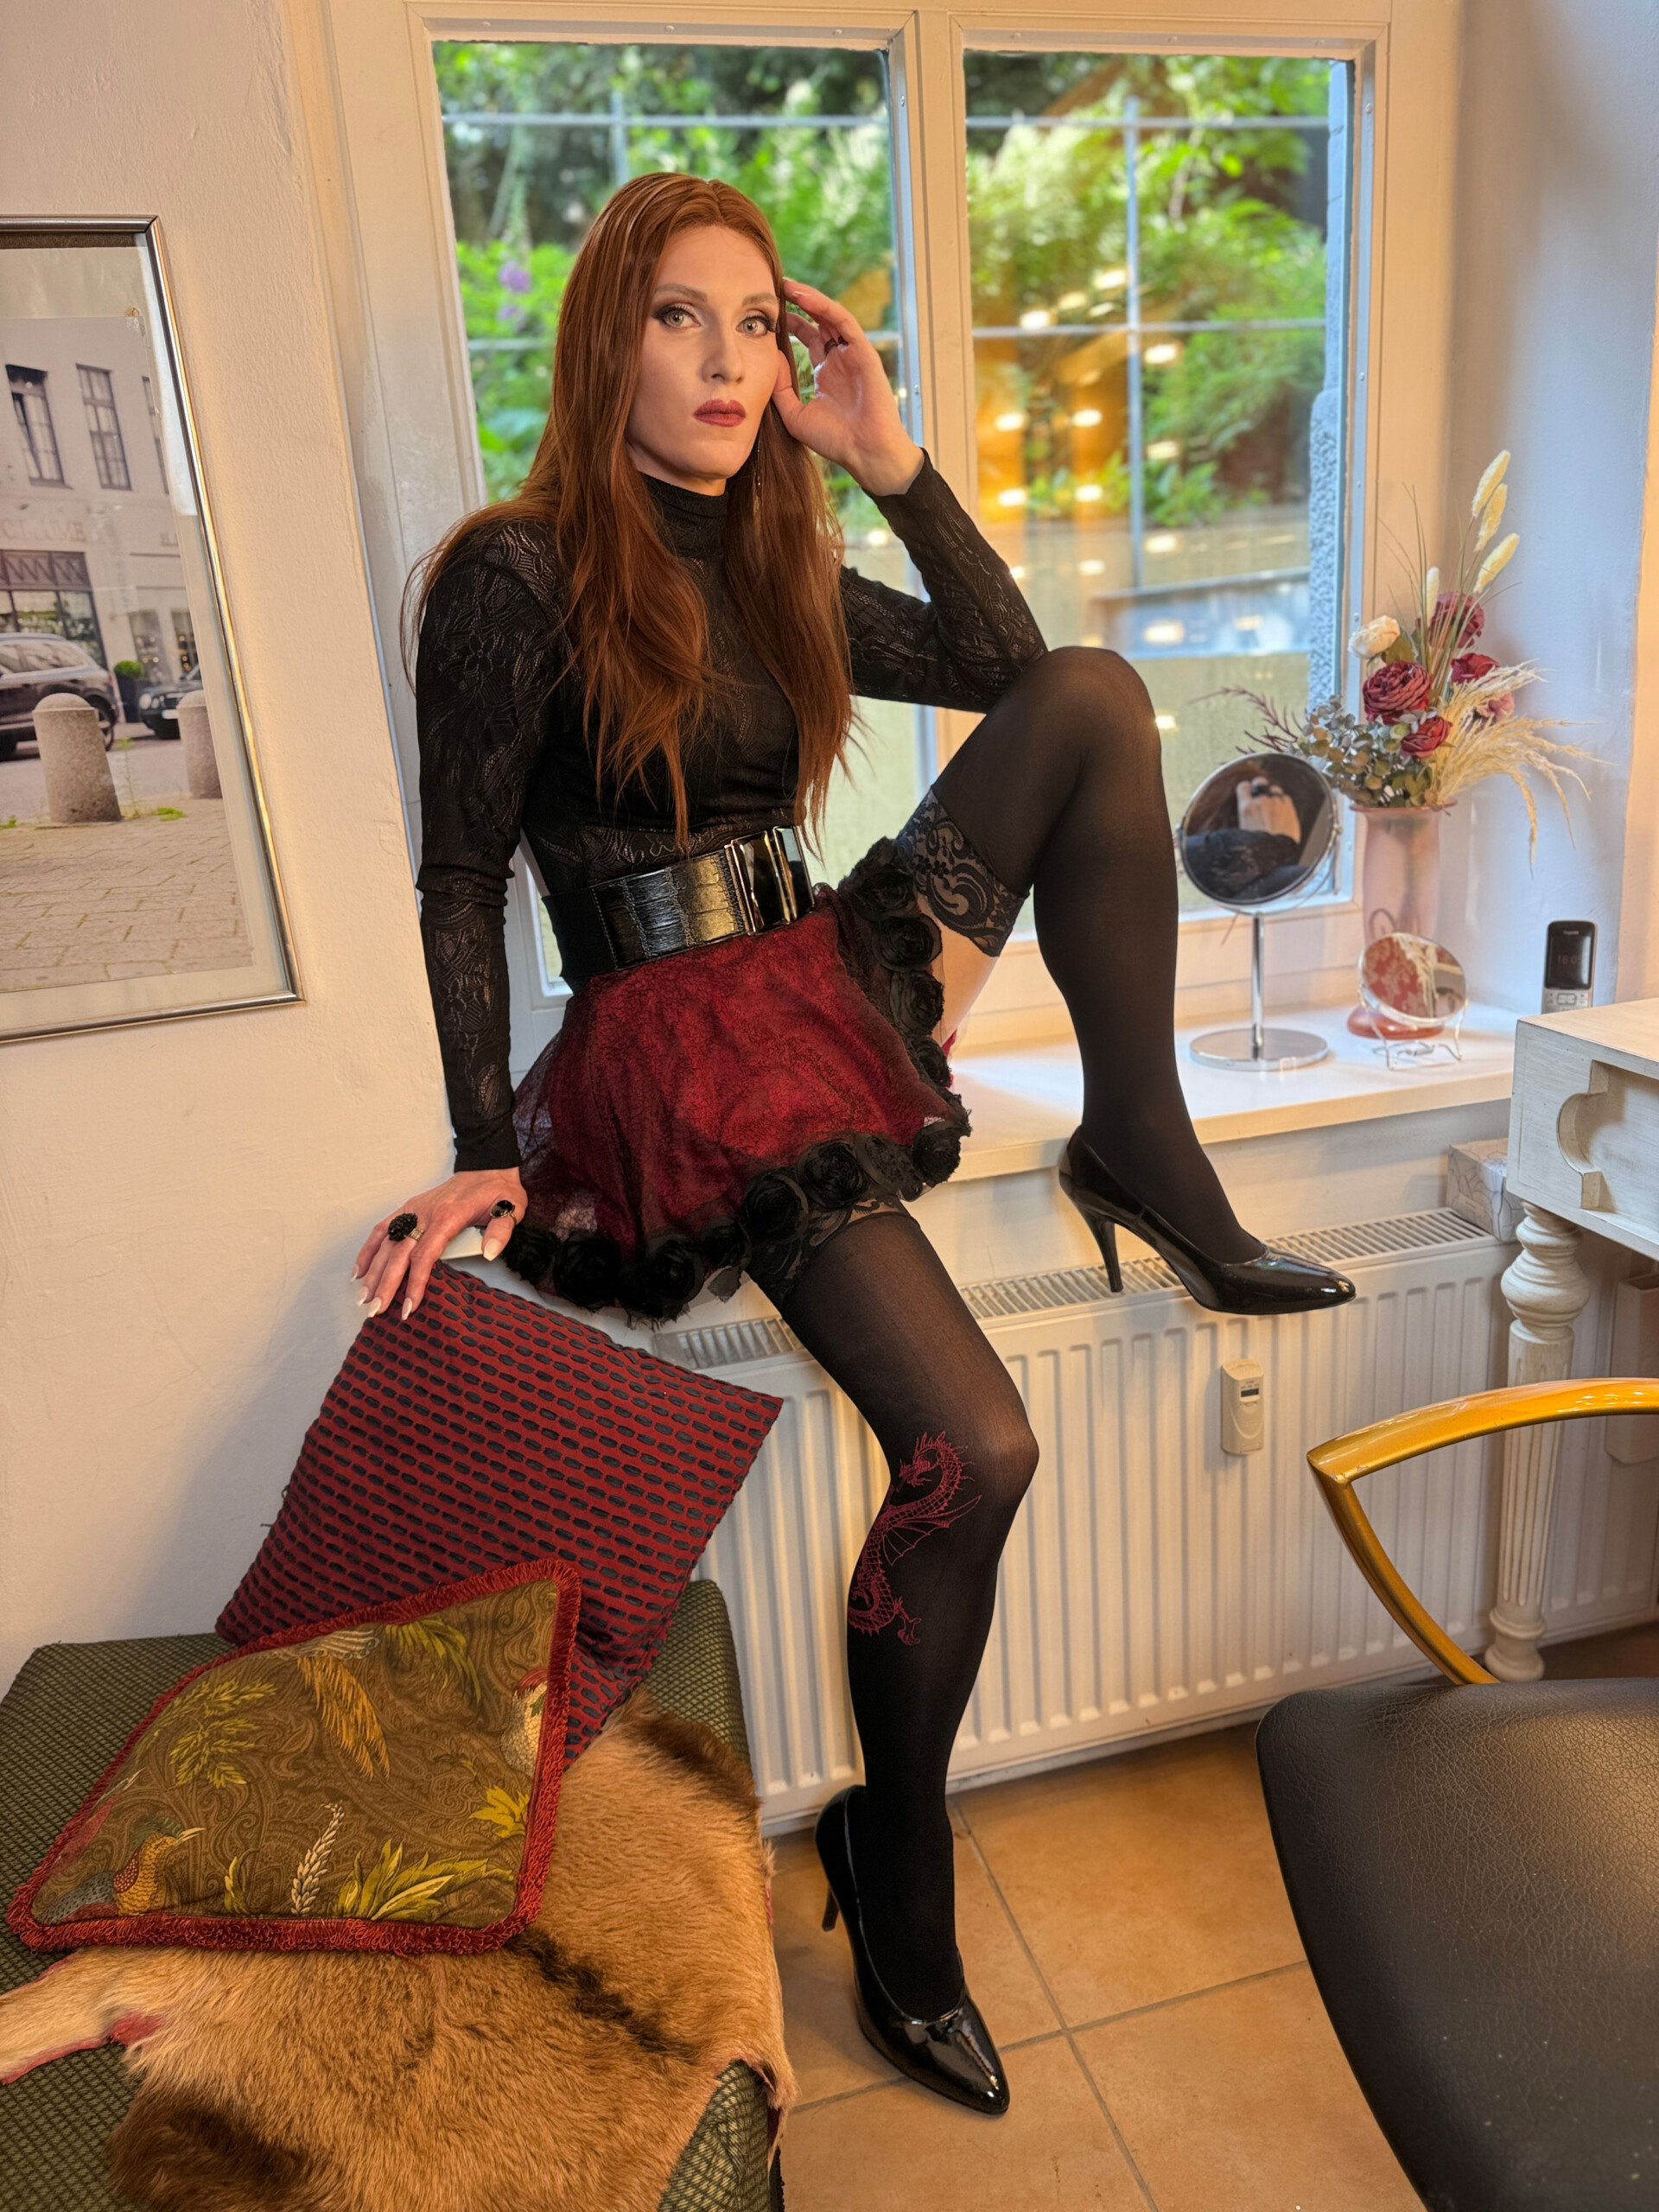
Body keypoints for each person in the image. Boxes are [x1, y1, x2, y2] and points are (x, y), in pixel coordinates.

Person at [354, 172, 1352, 2118]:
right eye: (682, 317)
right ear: (607, 341)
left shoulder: (775, 550)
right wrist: (485, 1137)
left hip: (812, 969)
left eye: (757, 324)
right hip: (674, 1042)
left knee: (1095, 694)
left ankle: (1142, 1147)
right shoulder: (513, 575)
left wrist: (889, 460)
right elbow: (461, 874)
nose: (730, 362)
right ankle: (898, 1865)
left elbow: (1009, 662)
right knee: (977, 1447)